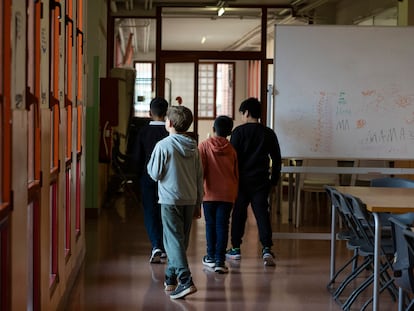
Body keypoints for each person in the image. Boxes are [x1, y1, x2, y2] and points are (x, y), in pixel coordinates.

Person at [147, 105, 203, 299]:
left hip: (170, 199)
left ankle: (185, 280)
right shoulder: (194, 147)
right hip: (189, 199)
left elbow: (154, 174)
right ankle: (171, 278)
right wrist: (198, 203)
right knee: (180, 241)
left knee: (172, 241)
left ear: (168, 123)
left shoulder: (163, 146)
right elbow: (199, 176)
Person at [226, 97, 282, 267]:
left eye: (242, 113)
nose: (242, 116)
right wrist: (274, 180)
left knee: (238, 214)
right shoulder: (268, 133)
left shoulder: (238, 132)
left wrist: (231, 179)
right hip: (261, 180)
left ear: (247, 113)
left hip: (241, 181)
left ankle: (235, 248)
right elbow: (277, 159)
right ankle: (266, 248)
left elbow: (231, 158)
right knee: (262, 214)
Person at [198, 116, 238, 274]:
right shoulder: (232, 149)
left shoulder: (204, 146)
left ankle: (210, 257)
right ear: (230, 132)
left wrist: (198, 190)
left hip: (209, 194)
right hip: (227, 194)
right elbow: (236, 173)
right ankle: (220, 261)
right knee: (223, 226)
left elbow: (200, 170)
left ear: (213, 129)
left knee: (210, 225)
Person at [132, 97, 169, 263]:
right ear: (166, 113)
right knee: (166, 212)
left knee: (150, 211)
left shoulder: (143, 132)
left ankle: (156, 245)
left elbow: (137, 158)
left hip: (147, 178)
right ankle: (166, 246)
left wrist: (136, 178)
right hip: (168, 179)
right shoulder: (170, 132)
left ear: (150, 113)